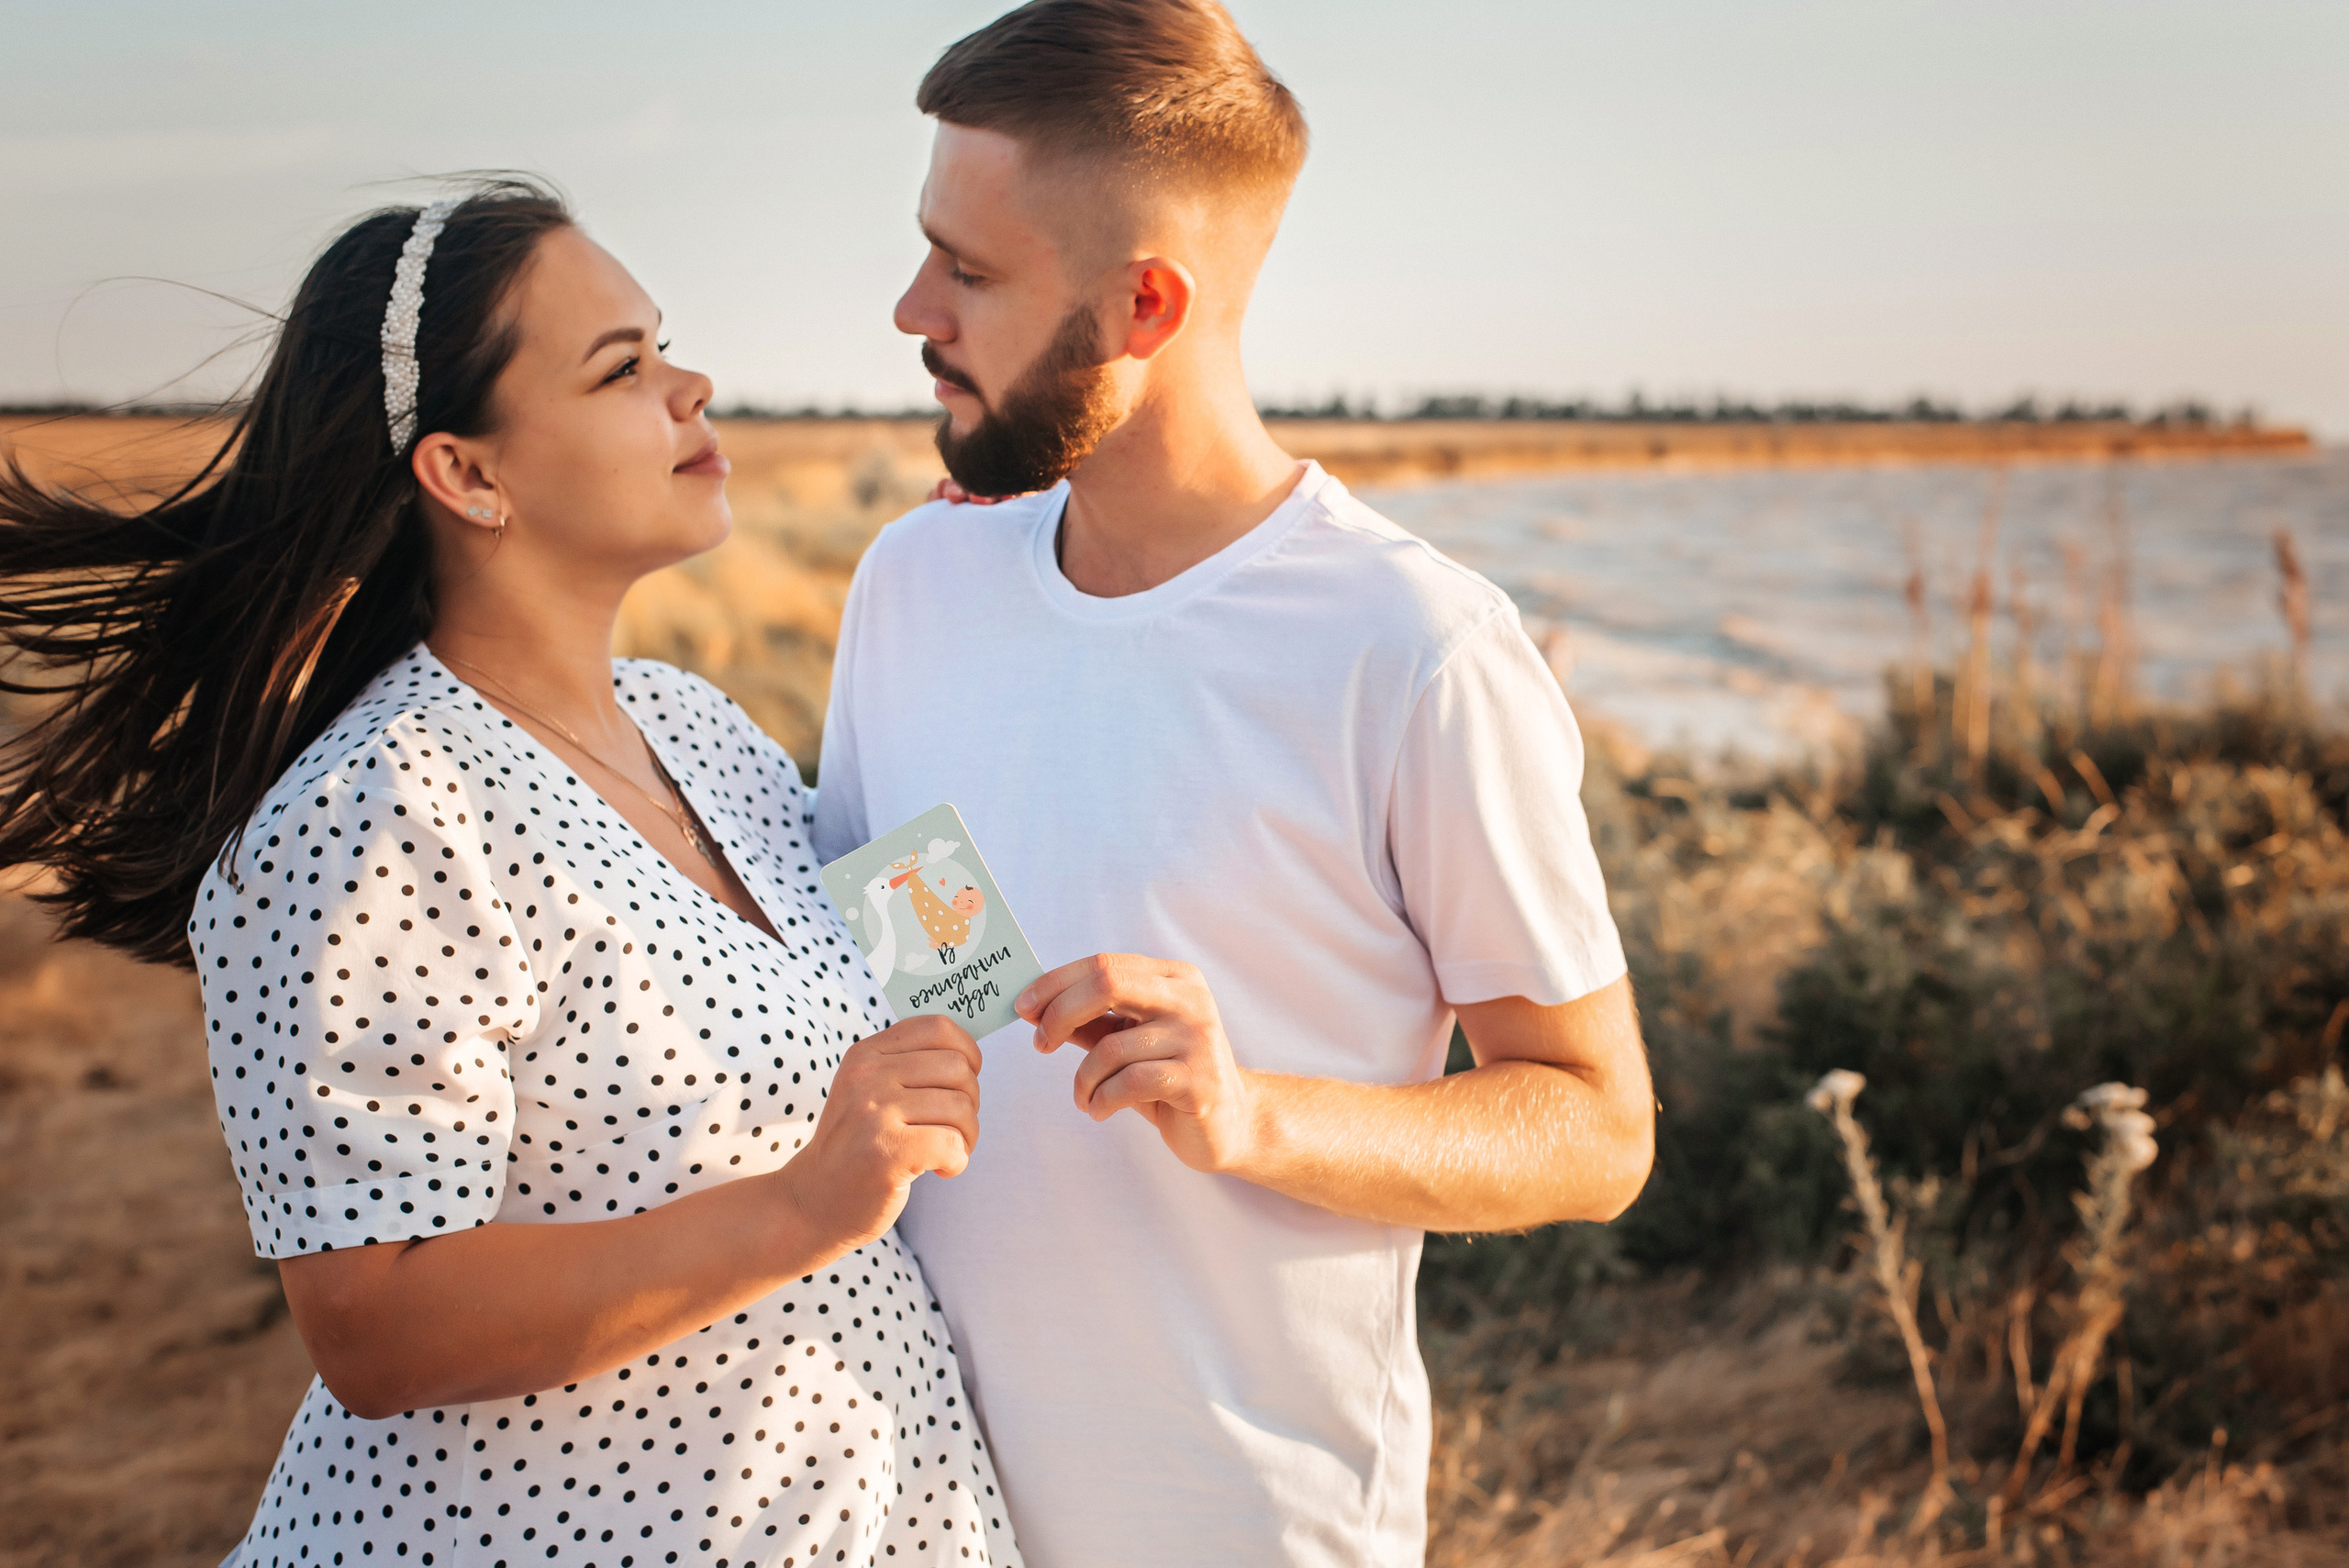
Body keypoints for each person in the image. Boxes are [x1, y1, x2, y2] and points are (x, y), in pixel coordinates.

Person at [0, 181, 1020, 1568]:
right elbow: (374, 1322)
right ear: (468, 474)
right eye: (623, 367)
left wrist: (969, 592)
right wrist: (799, 1204)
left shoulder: (696, 724)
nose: (691, 383)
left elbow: (950, 977)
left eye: (663, 344)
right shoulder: (377, 809)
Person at [809, 4, 1657, 1563]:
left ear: (1145, 303)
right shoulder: (915, 584)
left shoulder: (1412, 648)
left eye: (970, 271)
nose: (910, 306)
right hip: (898, 1512)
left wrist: (1254, 1112)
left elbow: (1597, 1129)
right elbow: (918, 989)